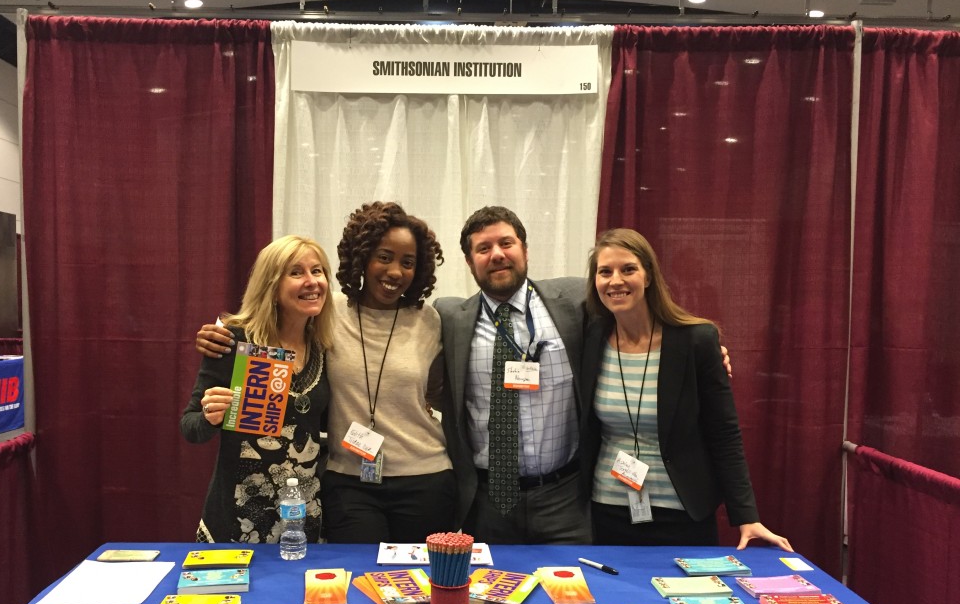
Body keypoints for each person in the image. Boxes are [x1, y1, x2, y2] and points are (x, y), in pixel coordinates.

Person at [195, 202, 455, 542]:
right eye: (384, 257)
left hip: (426, 476)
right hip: (349, 480)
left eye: (408, 263)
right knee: (358, 573)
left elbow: (440, 390)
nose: (395, 271)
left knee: (420, 575)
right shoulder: (326, 311)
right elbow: (272, 325)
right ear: (362, 257)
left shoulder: (430, 320)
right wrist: (222, 336)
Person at [579, 228, 792, 551]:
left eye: (628, 269)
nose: (615, 281)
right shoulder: (591, 338)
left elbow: (724, 432)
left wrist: (746, 515)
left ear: (648, 276)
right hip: (608, 509)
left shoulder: (696, 341)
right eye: (605, 272)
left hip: (683, 513)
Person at [435, 206, 591, 544]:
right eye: (483, 248)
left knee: (571, 581)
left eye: (506, 243)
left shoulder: (575, 301)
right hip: (488, 505)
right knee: (489, 582)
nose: (497, 255)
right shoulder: (449, 317)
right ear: (469, 262)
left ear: (525, 250)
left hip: (565, 500)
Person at [180, 235, 335, 544]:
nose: (311, 281)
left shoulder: (325, 346)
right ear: (271, 285)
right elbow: (190, 426)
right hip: (237, 520)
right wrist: (211, 416)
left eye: (317, 271)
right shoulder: (234, 340)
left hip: (302, 520)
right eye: (296, 272)